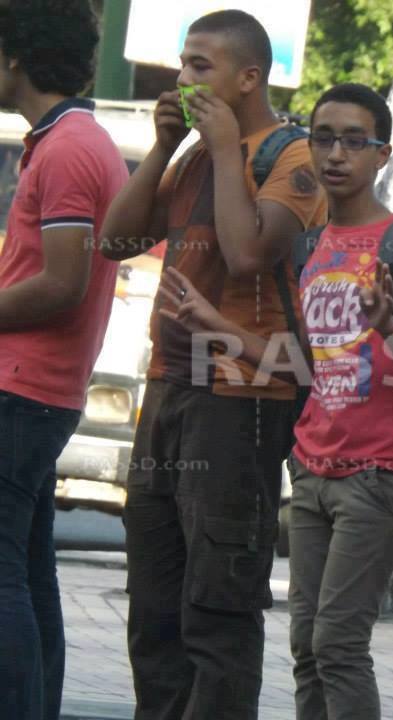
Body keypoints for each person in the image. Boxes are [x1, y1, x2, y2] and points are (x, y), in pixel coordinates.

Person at [158, 82, 393, 720]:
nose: (336, 154)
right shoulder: (312, 246)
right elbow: (304, 365)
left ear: (383, 153)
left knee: (338, 645)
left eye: (354, 141)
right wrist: (215, 323)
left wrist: (387, 323)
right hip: (314, 468)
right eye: (324, 139)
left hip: (382, 472)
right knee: (307, 649)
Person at [98, 10, 325, 719]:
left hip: (241, 399)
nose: (183, 78)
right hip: (169, 385)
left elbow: (249, 251)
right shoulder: (194, 155)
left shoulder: (290, 155)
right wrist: (165, 146)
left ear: (248, 77)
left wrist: (228, 150)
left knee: (216, 608)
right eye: (183, 63)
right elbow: (115, 240)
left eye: (201, 65)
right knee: (154, 606)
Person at [0, 2, 128, 718]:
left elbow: (62, 283)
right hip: (34, 387)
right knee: (26, 569)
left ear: (16, 55)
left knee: (5, 577)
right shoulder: (66, 139)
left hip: (23, 389)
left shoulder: (71, 146)